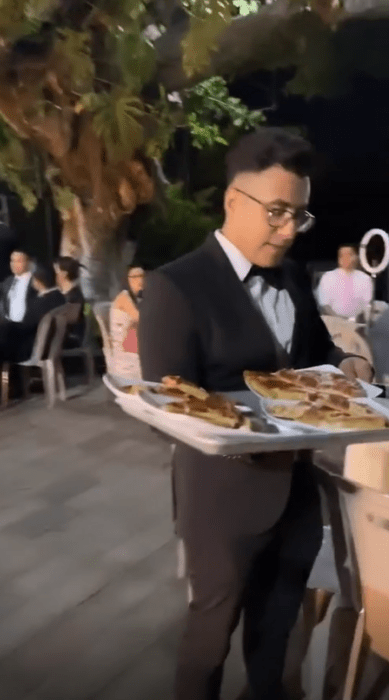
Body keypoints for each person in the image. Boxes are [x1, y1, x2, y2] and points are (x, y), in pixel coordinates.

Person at [138, 127, 372, 700]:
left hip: (297, 491)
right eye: (276, 212)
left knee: (276, 638)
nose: (289, 229)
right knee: (210, 639)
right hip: (222, 500)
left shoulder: (292, 277)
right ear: (232, 201)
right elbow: (165, 404)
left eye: (300, 216)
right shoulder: (175, 286)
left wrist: (350, 367)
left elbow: (315, 354)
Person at [0, 265, 65, 364]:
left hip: (34, 346)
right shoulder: (61, 299)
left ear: (38, 282)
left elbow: (27, 326)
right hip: (55, 343)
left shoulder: (39, 303)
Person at [317, 245, 373, 319]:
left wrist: (355, 320)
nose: (345, 258)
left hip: (357, 323)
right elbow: (324, 305)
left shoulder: (365, 279)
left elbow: (367, 305)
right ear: (338, 258)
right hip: (333, 321)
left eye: (350, 254)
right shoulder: (328, 277)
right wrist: (340, 319)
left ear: (356, 257)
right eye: (342, 255)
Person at [110, 266, 145, 379]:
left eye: (142, 277)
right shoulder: (124, 298)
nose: (141, 281)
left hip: (132, 344)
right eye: (136, 277)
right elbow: (141, 318)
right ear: (129, 280)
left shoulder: (137, 299)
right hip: (125, 349)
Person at [0, 249, 37, 321]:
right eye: (12, 260)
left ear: (29, 263)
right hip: (10, 326)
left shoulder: (35, 280)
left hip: (29, 326)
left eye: (19, 261)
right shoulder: (8, 281)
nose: (14, 264)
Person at [55, 256, 85, 345]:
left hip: (69, 339)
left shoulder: (75, 296)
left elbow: (71, 321)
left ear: (63, 274)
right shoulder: (59, 294)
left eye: (56, 271)